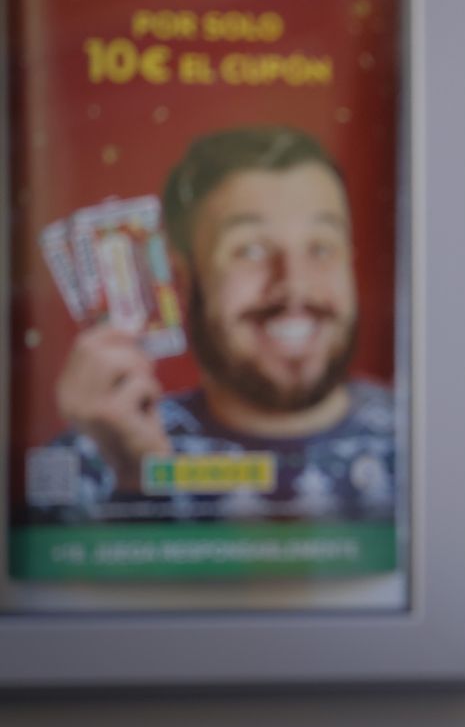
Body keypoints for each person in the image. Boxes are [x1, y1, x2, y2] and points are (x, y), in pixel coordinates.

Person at [49, 125, 396, 522]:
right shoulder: (96, 458)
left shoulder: (427, 440)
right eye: (249, 250)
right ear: (181, 277)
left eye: (321, 247)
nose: (295, 286)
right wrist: (137, 481)